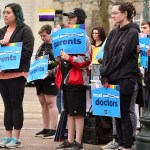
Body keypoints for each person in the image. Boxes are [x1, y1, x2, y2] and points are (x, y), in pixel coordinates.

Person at [100, 2, 139, 150]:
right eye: (112, 12)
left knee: (124, 114)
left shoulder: (132, 32)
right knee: (115, 114)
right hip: (112, 77)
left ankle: (127, 146)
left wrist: (105, 71)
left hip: (126, 78)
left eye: (115, 12)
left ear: (125, 14)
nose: (113, 15)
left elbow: (121, 57)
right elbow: (107, 54)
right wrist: (104, 76)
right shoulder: (114, 31)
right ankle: (120, 143)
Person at [55, 8, 91, 150]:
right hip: (65, 79)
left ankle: (78, 142)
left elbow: (86, 60)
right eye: (68, 17)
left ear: (80, 19)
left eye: (72, 17)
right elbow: (58, 56)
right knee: (69, 112)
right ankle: (70, 140)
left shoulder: (85, 38)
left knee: (78, 114)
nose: (68, 19)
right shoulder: (65, 36)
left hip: (77, 81)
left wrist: (69, 58)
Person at [0, 3, 34, 149]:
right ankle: (7, 137)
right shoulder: (2, 31)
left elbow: (27, 53)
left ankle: (17, 138)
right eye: (4, 13)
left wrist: (9, 48)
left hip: (17, 74)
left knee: (16, 105)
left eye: (8, 13)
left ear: (16, 14)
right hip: (2, 76)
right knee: (7, 106)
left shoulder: (25, 30)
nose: (5, 15)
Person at [34, 24, 58, 139]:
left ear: (50, 34)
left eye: (44, 36)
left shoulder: (55, 46)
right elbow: (37, 61)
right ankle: (46, 128)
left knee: (51, 103)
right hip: (39, 78)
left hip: (51, 78)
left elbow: (59, 65)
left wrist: (50, 73)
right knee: (43, 103)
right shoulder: (41, 47)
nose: (43, 38)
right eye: (41, 36)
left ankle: (53, 129)